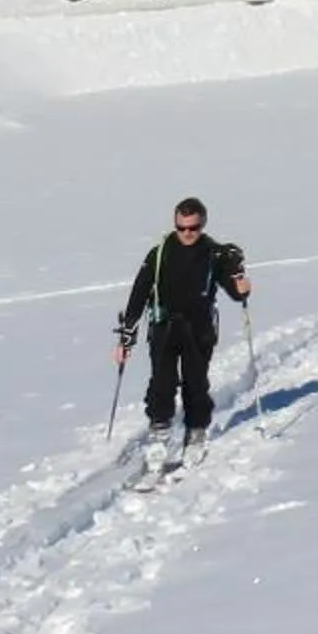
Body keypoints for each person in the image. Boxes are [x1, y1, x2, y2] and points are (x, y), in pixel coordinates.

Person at [114, 197, 251, 462]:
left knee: (195, 382)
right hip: (164, 326)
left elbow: (237, 294)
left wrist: (239, 278)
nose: (187, 233)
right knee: (161, 383)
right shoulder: (160, 252)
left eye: (193, 228)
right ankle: (159, 431)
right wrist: (126, 337)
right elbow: (139, 294)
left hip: (199, 329)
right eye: (182, 227)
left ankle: (196, 430)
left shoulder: (215, 254)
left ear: (203, 224)